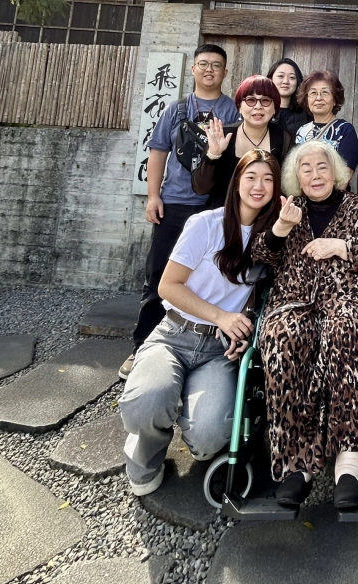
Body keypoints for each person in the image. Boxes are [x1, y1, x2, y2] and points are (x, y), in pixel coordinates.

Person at [119, 150, 281, 496]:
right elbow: (168, 286)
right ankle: (146, 446)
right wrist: (221, 316)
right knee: (146, 404)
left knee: (208, 438)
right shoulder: (206, 224)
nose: (259, 186)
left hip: (218, 351)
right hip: (174, 335)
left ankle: (186, 415)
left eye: (268, 179)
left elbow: (259, 299)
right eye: (251, 177)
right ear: (236, 182)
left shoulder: (271, 238)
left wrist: (245, 329)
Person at [251, 141, 358, 511]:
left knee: (343, 329)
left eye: (322, 167)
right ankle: (297, 462)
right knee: (282, 337)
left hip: (352, 299)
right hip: (297, 301)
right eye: (306, 168)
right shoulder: (288, 209)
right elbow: (260, 255)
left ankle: (349, 459)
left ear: (336, 173)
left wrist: (341, 246)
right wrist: (281, 228)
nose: (315, 175)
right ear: (296, 177)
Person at [119, 45, 238, 381]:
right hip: (173, 204)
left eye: (216, 65)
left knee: (206, 277)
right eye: (203, 64)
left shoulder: (231, 110)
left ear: (225, 72)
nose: (209, 70)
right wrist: (153, 196)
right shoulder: (175, 109)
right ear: (193, 69)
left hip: (213, 207)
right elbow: (157, 152)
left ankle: (199, 348)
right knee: (159, 275)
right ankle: (142, 346)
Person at [191, 75, 294, 206]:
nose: (258, 106)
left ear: (275, 108)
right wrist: (213, 155)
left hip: (267, 214)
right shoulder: (223, 135)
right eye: (250, 100)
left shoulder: (284, 138)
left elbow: (288, 187)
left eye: (265, 100)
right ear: (239, 106)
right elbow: (200, 188)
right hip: (224, 211)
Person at [294, 70, 358, 174]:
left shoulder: (345, 130)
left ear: (334, 100)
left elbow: (345, 174)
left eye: (325, 92)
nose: (318, 98)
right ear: (306, 100)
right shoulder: (302, 131)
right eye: (313, 93)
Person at [267, 57, 311, 136]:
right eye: (280, 76)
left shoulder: (307, 113)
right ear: (270, 79)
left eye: (292, 77)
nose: (286, 81)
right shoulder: (261, 109)